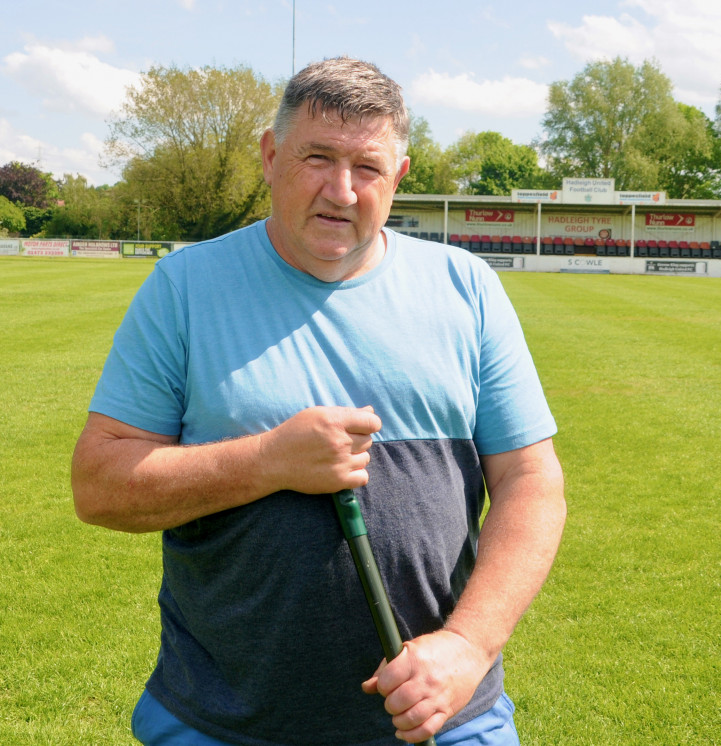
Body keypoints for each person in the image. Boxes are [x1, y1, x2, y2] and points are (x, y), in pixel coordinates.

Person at [71, 57, 565, 746]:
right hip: (225, 726)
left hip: (445, 720)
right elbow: (99, 487)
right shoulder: (185, 288)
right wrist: (268, 461)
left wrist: (467, 646)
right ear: (271, 156)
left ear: (398, 177)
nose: (340, 189)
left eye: (366, 167)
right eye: (316, 157)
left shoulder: (466, 288)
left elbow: (531, 481)